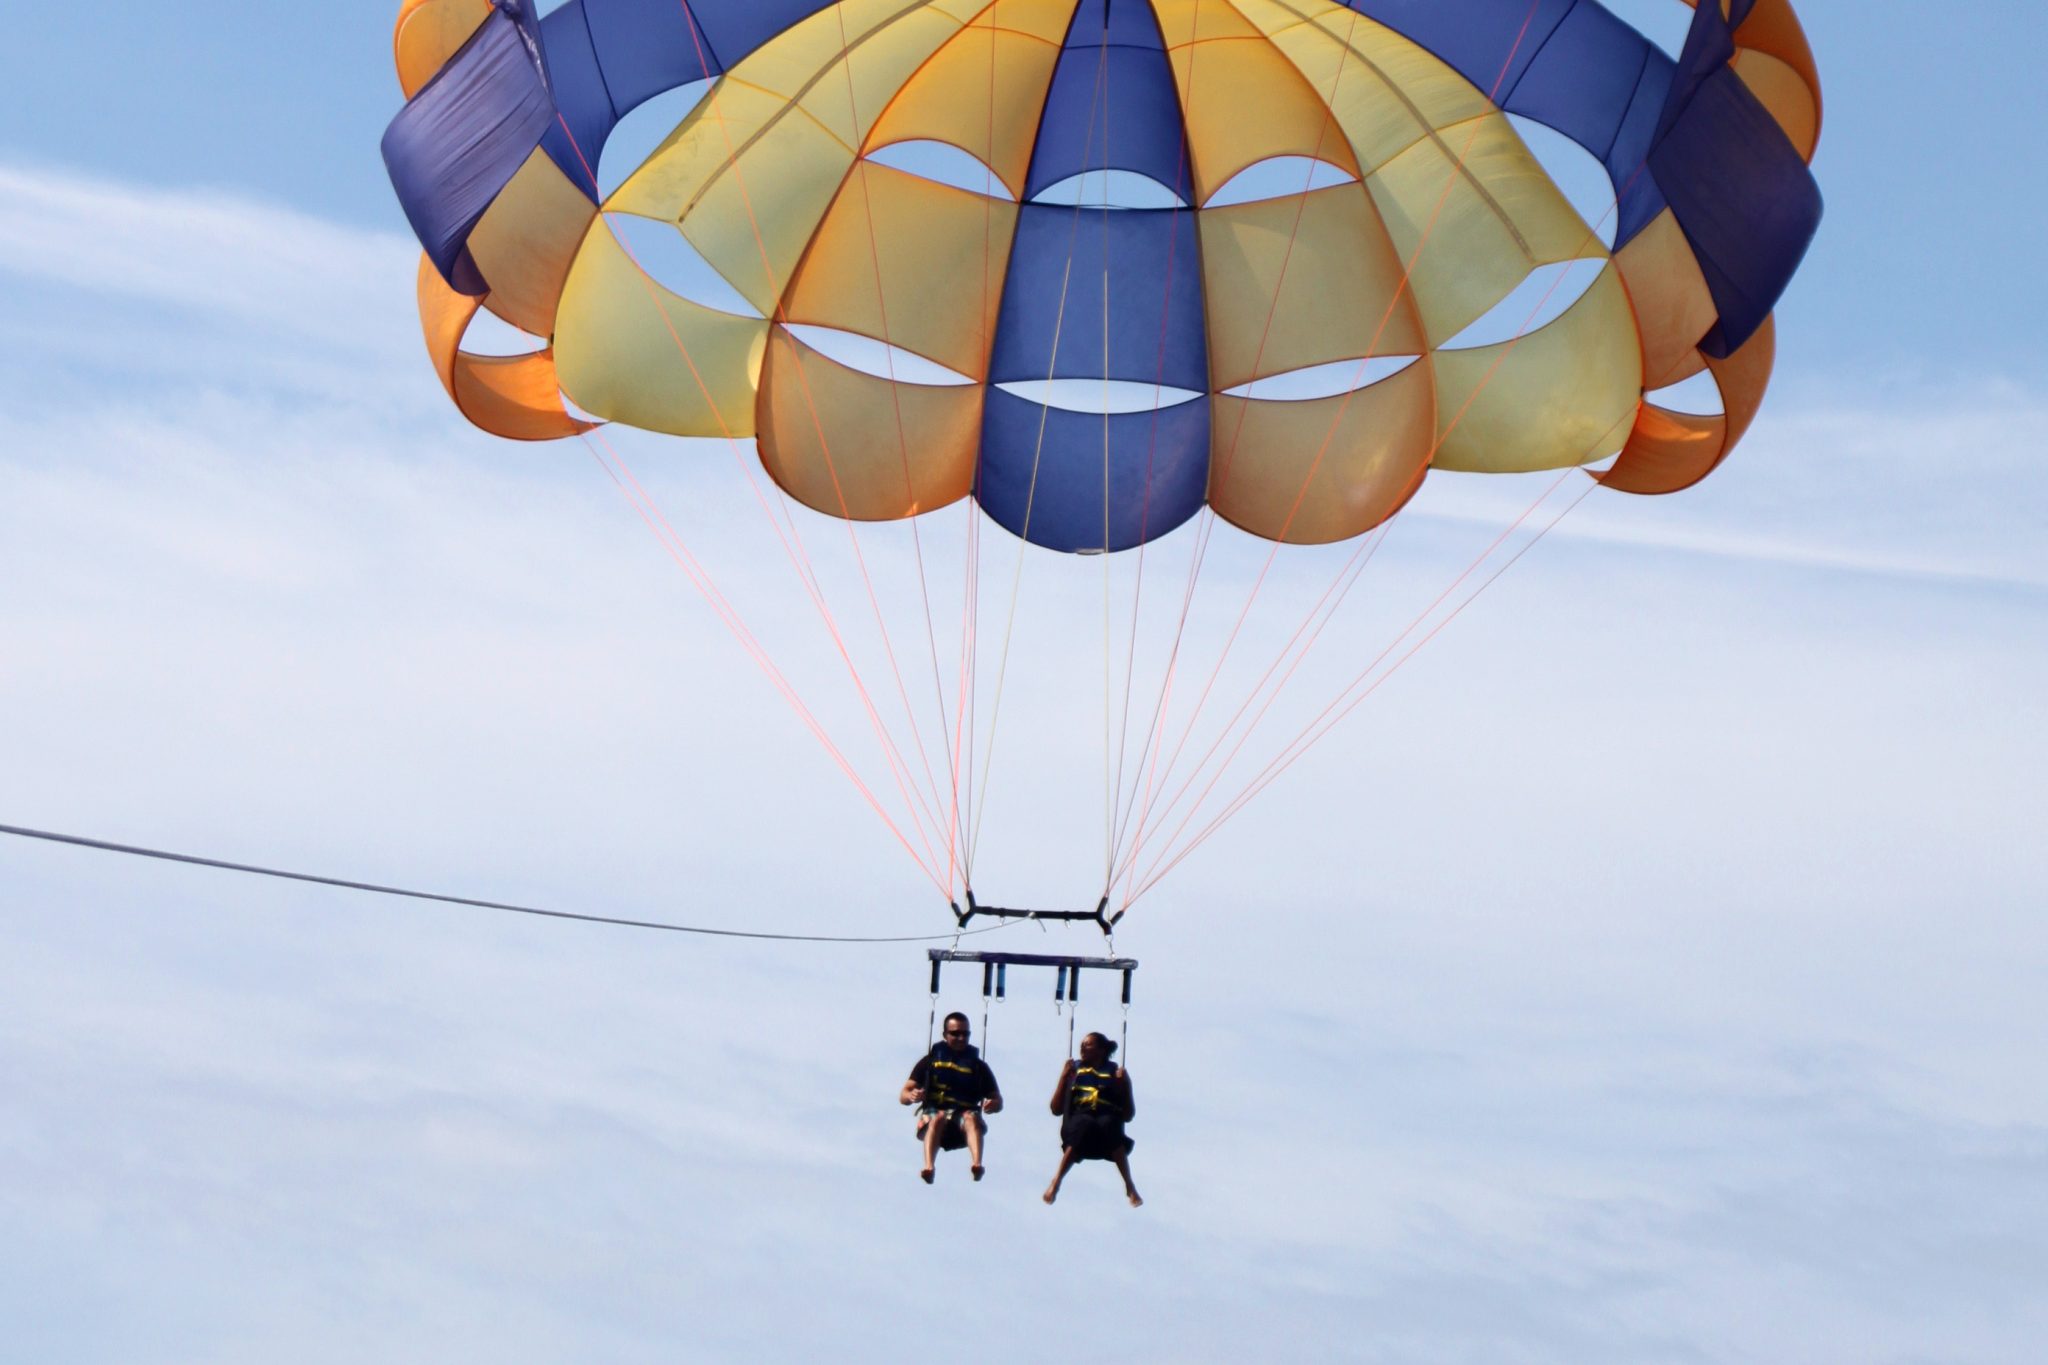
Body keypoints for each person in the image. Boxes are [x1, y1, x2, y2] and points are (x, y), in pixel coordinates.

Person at [900, 1012, 1002, 1184]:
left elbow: (997, 1099)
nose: (961, 1038)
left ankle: (977, 1164)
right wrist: (912, 1095)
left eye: (965, 1034)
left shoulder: (979, 1067)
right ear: (945, 1035)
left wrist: (994, 1104)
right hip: (934, 1115)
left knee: (970, 1117)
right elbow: (904, 1094)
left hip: (963, 1119)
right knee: (938, 1117)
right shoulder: (930, 1061)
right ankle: (929, 1167)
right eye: (955, 1033)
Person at [1043, 1031, 1141, 1207]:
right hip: (1081, 1118)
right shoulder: (1075, 1071)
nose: (1082, 1047)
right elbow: (1055, 1109)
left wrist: (1126, 1085)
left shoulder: (1114, 1073)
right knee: (1084, 1124)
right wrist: (1064, 1077)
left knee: (1110, 1125)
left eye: (1088, 1044)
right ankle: (1056, 1182)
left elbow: (1128, 1115)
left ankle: (1129, 1185)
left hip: (1107, 1122)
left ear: (1101, 1050)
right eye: (1082, 1044)